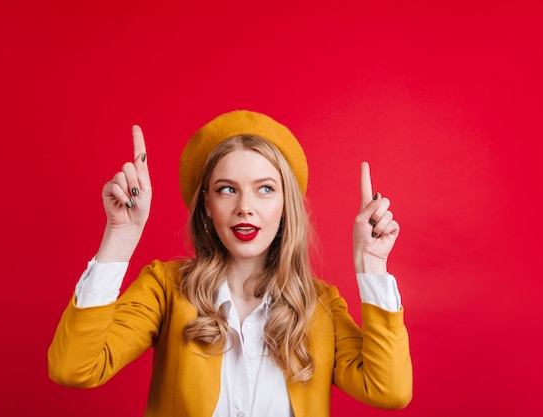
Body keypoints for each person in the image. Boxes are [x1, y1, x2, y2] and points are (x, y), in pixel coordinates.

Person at [48, 110, 412, 417]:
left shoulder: (320, 307)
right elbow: (73, 368)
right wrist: (120, 237)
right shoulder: (165, 288)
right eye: (227, 189)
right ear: (206, 204)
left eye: (265, 189)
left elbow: (388, 390)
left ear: (286, 205)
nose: (245, 207)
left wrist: (372, 264)